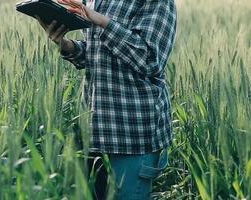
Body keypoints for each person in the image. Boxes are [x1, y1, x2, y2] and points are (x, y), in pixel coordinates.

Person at [35, 0, 176, 199]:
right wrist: (66, 45)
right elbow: (98, 53)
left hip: (132, 135)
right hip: (95, 132)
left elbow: (150, 60)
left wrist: (103, 22)